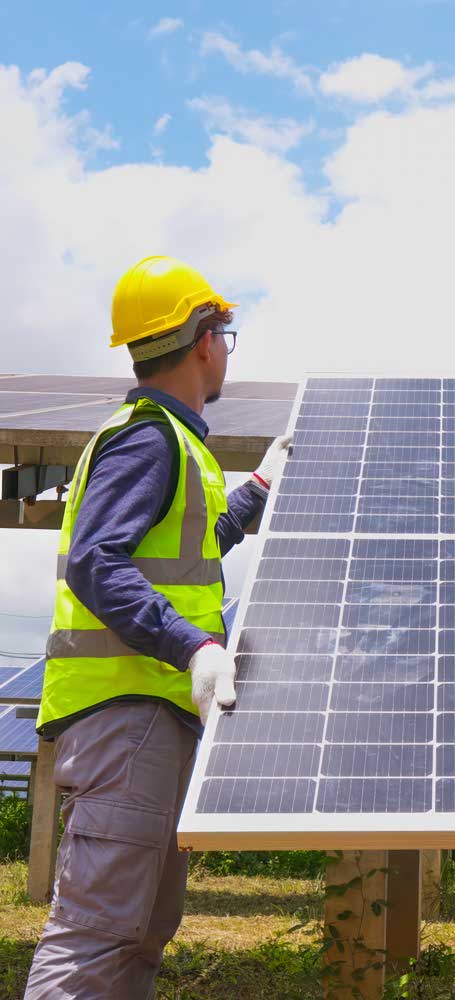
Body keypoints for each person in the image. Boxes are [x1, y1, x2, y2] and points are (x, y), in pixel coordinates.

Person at [24, 255, 291, 999]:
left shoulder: (174, 444)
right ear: (204, 339)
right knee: (97, 932)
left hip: (155, 712)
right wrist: (195, 645)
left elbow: (191, 548)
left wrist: (259, 491)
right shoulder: (148, 441)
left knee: (140, 932)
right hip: (127, 713)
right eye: (225, 332)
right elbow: (95, 561)